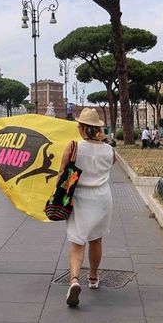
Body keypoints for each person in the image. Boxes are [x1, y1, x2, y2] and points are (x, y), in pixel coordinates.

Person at [63, 108, 116, 307]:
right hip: (103, 197)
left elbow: (62, 174)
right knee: (96, 239)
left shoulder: (74, 147)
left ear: (83, 128)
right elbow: (111, 163)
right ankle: (93, 277)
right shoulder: (109, 150)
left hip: (80, 197)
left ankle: (75, 279)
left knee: (77, 242)